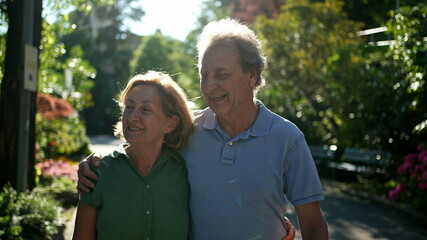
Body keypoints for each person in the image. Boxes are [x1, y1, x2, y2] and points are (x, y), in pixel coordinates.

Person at [79, 18, 325, 239]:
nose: (209, 86)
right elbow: (141, 144)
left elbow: (313, 226)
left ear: (252, 76)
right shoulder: (187, 129)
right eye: (204, 76)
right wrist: (94, 163)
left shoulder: (287, 138)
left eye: (221, 75)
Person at [72, 71, 194, 240]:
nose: (132, 117)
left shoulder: (186, 171)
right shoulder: (97, 173)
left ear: (170, 124)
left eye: (145, 109)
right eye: (129, 107)